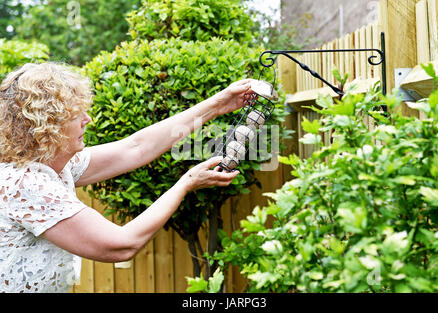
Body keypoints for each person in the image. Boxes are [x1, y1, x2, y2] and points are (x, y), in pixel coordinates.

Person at [0, 62, 254, 293]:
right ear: (47, 125)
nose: (87, 120)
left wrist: (218, 105)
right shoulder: (26, 183)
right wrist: (186, 183)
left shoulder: (55, 165)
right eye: (75, 115)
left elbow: (135, 148)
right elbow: (121, 245)